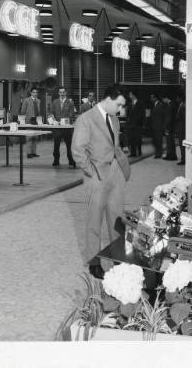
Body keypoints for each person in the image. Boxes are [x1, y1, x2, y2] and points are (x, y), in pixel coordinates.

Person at [72, 84, 131, 279]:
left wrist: (122, 167)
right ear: (108, 98)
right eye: (119, 105)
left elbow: (115, 145)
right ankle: (94, 262)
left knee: (117, 219)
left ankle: (119, 258)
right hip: (96, 176)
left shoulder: (114, 119)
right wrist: (92, 172)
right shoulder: (85, 119)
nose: (121, 110)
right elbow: (78, 151)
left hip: (116, 174)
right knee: (93, 221)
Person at [51, 87, 76, 167]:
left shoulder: (70, 102)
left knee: (69, 145)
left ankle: (71, 160)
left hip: (67, 127)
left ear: (66, 93)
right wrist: (53, 121)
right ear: (58, 93)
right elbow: (51, 113)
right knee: (56, 144)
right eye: (60, 92)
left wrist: (64, 120)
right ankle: (56, 160)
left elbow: (71, 114)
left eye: (63, 92)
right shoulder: (55, 102)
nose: (62, 93)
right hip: (57, 127)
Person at [20, 88, 41, 158]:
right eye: (34, 92)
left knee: (35, 137)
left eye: (36, 92)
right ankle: (29, 153)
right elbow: (22, 111)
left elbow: (38, 111)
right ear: (31, 93)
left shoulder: (38, 101)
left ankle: (34, 152)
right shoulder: (26, 100)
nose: (35, 94)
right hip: (29, 121)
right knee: (29, 137)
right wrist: (24, 120)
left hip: (36, 121)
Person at [126, 90, 145, 157]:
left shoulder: (140, 104)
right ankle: (133, 153)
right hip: (131, 125)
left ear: (133, 95)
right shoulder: (129, 104)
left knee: (138, 139)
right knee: (132, 139)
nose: (129, 96)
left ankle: (139, 151)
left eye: (130, 94)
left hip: (138, 125)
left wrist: (140, 123)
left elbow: (142, 114)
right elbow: (128, 114)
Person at [150, 93, 165, 159]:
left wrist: (162, 126)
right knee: (155, 140)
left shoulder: (160, 105)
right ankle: (158, 152)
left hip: (159, 126)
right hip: (155, 126)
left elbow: (162, 116)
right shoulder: (154, 105)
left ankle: (159, 153)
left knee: (159, 140)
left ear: (156, 98)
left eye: (152, 97)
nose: (151, 99)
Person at [162, 95, 177, 160]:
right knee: (169, 142)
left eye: (163, 99)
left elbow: (169, 118)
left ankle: (171, 156)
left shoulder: (170, 106)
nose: (163, 101)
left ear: (166, 98)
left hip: (169, 127)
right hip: (170, 127)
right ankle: (170, 155)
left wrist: (167, 127)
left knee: (170, 142)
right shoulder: (170, 105)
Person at [174, 91, 186, 165]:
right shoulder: (181, 105)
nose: (176, 99)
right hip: (180, 128)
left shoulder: (183, 106)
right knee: (181, 145)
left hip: (182, 129)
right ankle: (183, 159)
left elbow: (184, 118)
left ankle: (183, 160)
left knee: (182, 145)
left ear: (180, 98)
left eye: (177, 98)